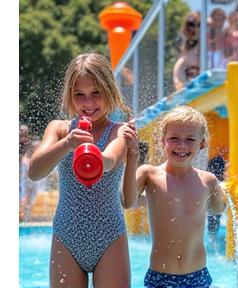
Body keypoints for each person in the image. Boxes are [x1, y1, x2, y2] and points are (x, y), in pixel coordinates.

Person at [28, 53, 139, 287]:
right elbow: (35, 171)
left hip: (109, 235)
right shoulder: (59, 130)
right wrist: (67, 144)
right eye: (79, 95)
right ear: (70, 96)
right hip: (67, 234)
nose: (88, 103)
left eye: (96, 93)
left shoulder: (119, 131)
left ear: (109, 91)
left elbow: (109, 160)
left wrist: (92, 155)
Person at [130, 106, 226, 287]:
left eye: (190, 139)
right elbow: (126, 200)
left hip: (197, 275)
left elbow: (218, 208)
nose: (181, 145)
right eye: (174, 138)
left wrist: (221, 189)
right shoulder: (148, 174)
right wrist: (131, 158)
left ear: (202, 144)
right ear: (162, 141)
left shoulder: (208, 180)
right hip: (161, 276)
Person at [173, 12, 201, 91]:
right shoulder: (186, 42)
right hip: (191, 75)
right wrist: (178, 82)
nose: (195, 27)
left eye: (198, 24)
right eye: (191, 24)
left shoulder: (206, 40)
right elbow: (182, 62)